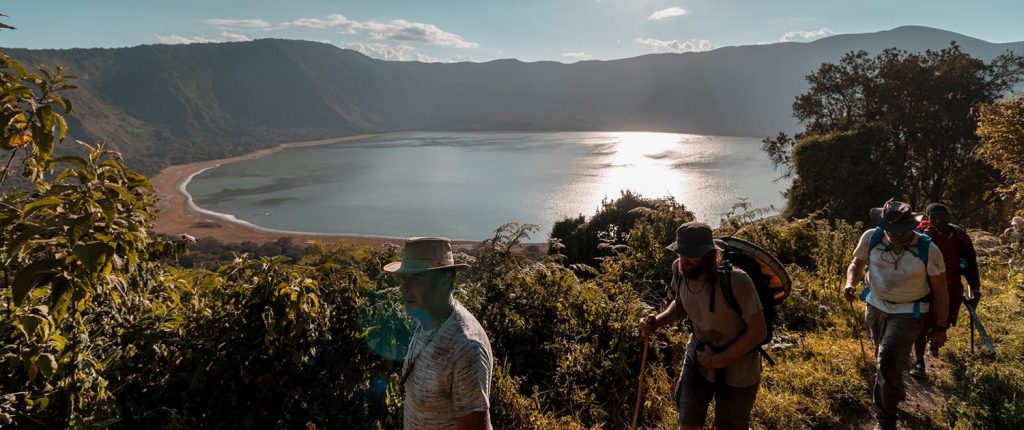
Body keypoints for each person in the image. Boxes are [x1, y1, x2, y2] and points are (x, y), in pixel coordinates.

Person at [638, 222, 767, 430]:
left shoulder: (737, 281)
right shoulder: (679, 271)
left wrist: (720, 359)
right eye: (681, 254)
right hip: (698, 360)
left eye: (693, 255)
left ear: (709, 255)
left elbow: (758, 331)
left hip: (739, 368)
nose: (685, 260)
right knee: (688, 423)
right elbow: (681, 306)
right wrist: (657, 322)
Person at [843, 200, 949, 430]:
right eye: (890, 229)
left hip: (908, 311)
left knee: (887, 358)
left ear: (912, 226)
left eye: (900, 231)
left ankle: (885, 419)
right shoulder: (871, 237)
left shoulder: (928, 249)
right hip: (875, 306)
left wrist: (941, 328)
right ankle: (895, 391)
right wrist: (850, 283)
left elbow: (941, 291)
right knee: (884, 358)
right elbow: (857, 263)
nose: (894, 235)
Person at [385, 237, 493, 430]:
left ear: (447, 281)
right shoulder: (427, 318)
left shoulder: (465, 349)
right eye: (403, 279)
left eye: (415, 279)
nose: (403, 288)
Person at [911, 203, 981, 379]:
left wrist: (976, 290)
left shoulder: (960, 237)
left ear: (949, 217)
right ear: (928, 219)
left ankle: (934, 343)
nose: (938, 221)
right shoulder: (919, 235)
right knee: (921, 324)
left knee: (944, 319)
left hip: (951, 287)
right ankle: (919, 362)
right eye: (933, 217)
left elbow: (971, 265)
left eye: (942, 217)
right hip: (924, 288)